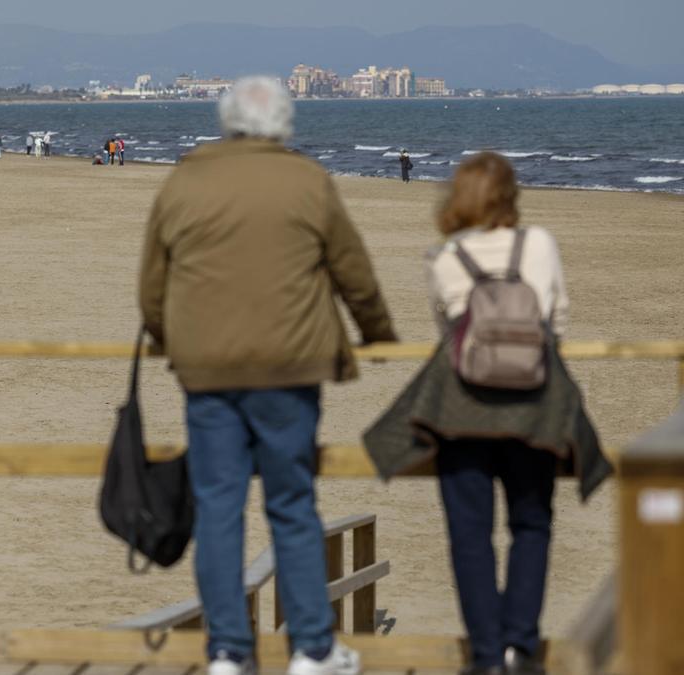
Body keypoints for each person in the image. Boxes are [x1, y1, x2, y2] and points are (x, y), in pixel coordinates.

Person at [139, 76, 396, 675]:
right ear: (283, 125)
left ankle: (228, 650)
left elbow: (153, 283)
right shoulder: (306, 180)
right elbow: (353, 272)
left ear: (227, 122)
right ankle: (312, 648)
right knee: (292, 506)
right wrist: (378, 333)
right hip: (289, 368)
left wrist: (165, 338)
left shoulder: (185, 179)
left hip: (207, 370)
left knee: (219, 509)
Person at [364, 153, 609, 675]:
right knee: (532, 523)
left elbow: (448, 333)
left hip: (461, 409)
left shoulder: (446, 256)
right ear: (509, 197)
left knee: (470, 533)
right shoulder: (537, 244)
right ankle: (521, 645)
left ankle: (484, 654)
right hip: (533, 405)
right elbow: (557, 318)